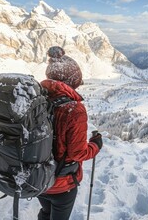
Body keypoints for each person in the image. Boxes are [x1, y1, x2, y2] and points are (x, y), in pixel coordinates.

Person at [37, 46, 103, 220]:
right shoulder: (73, 109)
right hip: (61, 183)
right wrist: (96, 145)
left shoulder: (38, 99)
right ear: (72, 81)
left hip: (37, 176)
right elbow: (78, 153)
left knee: (45, 212)